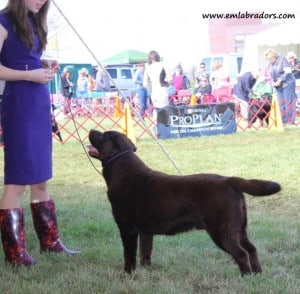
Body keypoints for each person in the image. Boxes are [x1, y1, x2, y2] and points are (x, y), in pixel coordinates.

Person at [0, 0, 79, 267]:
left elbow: (22, 59)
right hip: (19, 105)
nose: (41, 0)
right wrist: (30, 75)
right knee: (17, 180)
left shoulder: (35, 20)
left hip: (38, 104)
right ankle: (15, 254)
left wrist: (42, 63)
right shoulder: (3, 20)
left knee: (42, 177)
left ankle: (50, 242)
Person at [265, 48, 297, 125]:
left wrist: (279, 80)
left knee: (288, 102)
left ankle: (290, 121)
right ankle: (283, 121)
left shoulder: (283, 60)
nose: (269, 61)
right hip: (278, 86)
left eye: (270, 59)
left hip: (288, 83)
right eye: (268, 59)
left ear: (274, 56)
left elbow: (288, 72)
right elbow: (271, 75)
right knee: (281, 103)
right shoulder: (270, 64)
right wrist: (272, 82)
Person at [143, 50, 171, 124]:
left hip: (154, 92)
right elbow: (170, 79)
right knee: (164, 110)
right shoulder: (163, 64)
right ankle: (165, 129)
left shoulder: (148, 68)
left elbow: (145, 84)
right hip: (162, 90)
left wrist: (150, 87)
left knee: (156, 110)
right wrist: (167, 83)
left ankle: (156, 129)